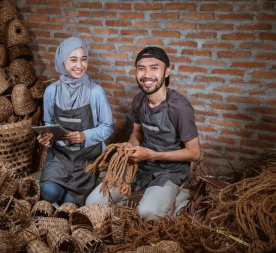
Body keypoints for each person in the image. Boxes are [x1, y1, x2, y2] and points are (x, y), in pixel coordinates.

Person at [86, 46, 200, 221]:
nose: (146, 74)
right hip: (142, 166)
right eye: (141, 68)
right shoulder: (139, 100)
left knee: (147, 213)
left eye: (154, 68)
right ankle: (145, 195)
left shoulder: (180, 108)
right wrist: (131, 146)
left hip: (171, 171)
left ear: (167, 71)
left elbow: (194, 153)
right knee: (93, 202)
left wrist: (152, 154)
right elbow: (137, 133)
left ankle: (179, 196)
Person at [37, 37, 114, 206]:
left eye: (83, 59)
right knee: (49, 192)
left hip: (87, 159)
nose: (80, 65)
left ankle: (72, 194)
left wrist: (85, 135)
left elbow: (108, 126)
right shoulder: (52, 92)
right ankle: (57, 187)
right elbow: (48, 124)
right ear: (62, 61)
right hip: (61, 157)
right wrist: (46, 138)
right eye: (73, 60)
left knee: (70, 203)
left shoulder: (96, 92)